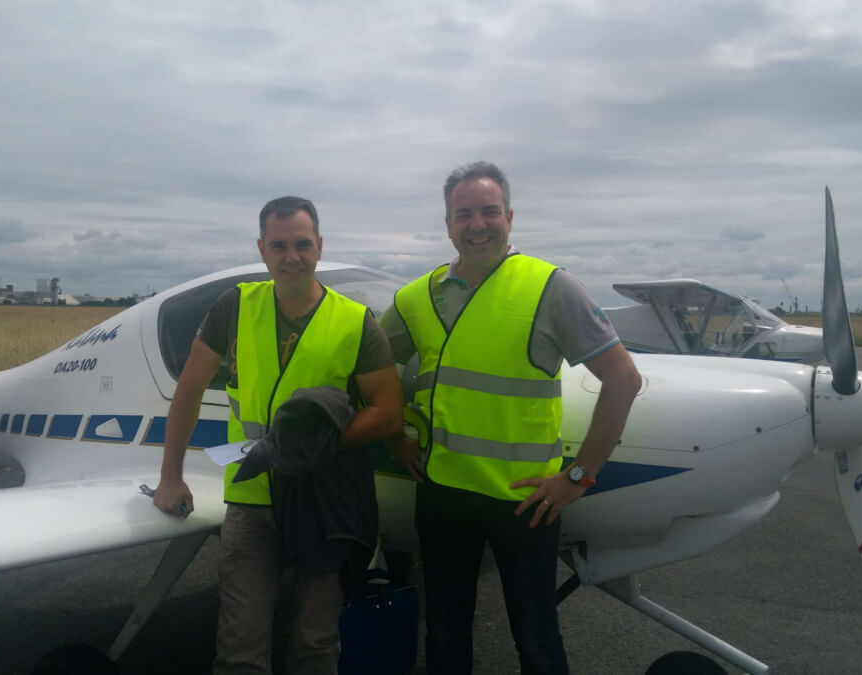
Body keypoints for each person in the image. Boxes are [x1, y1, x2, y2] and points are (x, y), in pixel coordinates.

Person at [380, 161, 642, 674]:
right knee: (444, 632)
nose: (477, 224)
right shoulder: (415, 299)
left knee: (536, 637)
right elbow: (368, 367)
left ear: (509, 217)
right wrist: (394, 437)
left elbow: (624, 380)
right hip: (443, 492)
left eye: (489, 211)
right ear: (448, 225)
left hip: (525, 499)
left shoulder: (551, 287)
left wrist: (579, 476)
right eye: (464, 214)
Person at [154, 196, 403, 675]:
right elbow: (188, 390)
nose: (292, 257)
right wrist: (170, 478)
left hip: (322, 500)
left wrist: (314, 446)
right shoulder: (234, 307)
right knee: (240, 647)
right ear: (262, 250)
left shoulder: (355, 321)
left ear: (320, 246)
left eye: (303, 245)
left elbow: (388, 413)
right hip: (251, 499)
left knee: (316, 644)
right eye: (280, 246)